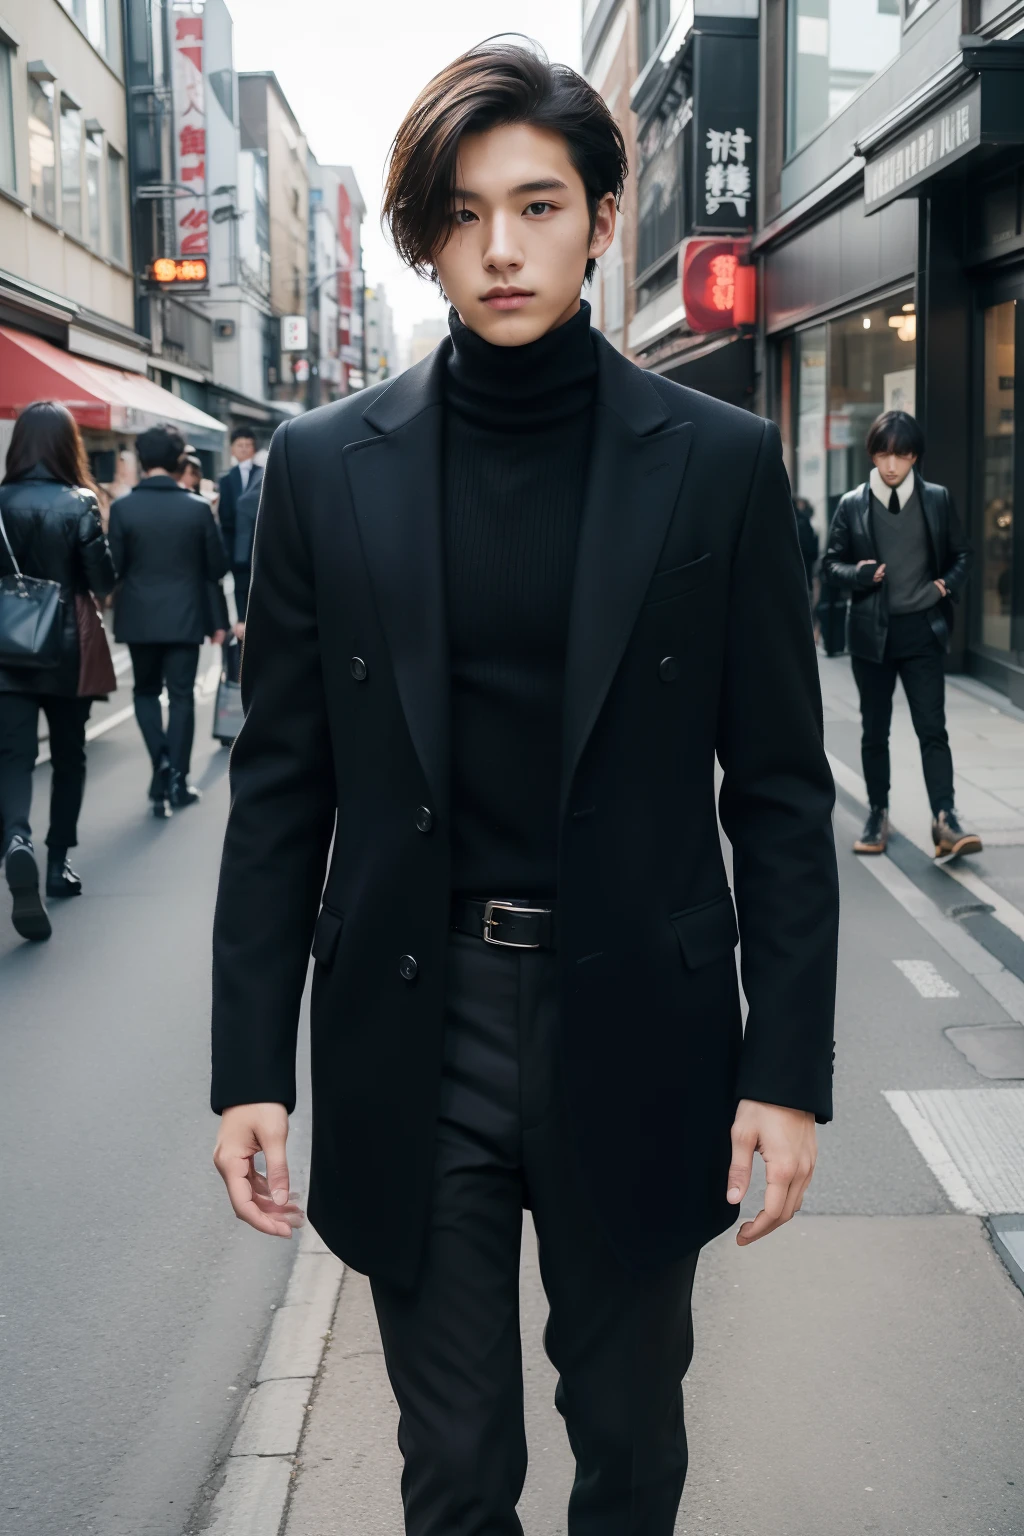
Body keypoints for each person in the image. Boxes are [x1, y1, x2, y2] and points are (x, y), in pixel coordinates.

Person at [211, 41, 839, 1536]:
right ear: (426, 231)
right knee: (456, 1469)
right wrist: (248, 1063)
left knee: (628, 1442)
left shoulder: (720, 463)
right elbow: (282, 786)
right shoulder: (320, 467)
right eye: (466, 211)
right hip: (413, 1034)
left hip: (640, 1017)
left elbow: (779, 793)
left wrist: (788, 1070)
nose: (503, 247)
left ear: (604, 218)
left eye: (542, 205)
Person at [823, 410, 980, 860]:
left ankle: (945, 818)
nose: (892, 464)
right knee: (875, 731)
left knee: (932, 729)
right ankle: (877, 814)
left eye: (902, 455)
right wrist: (860, 573)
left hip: (922, 632)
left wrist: (944, 585)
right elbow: (829, 566)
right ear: (873, 453)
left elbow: (963, 554)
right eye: (884, 454)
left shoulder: (936, 499)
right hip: (872, 635)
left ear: (915, 457)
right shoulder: (852, 504)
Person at [0, 401, 117, 941]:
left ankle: (16, 837)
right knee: (70, 756)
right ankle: (56, 864)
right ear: (69, 446)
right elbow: (102, 581)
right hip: (67, 650)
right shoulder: (79, 502)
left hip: (6, 648)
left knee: (14, 757)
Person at [109, 425, 228, 817]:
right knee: (181, 696)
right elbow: (215, 567)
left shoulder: (123, 508)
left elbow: (116, 568)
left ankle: (160, 761)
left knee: (144, 692)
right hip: (185, 616)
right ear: (179, 460)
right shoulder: (196, 508)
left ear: (142, 461)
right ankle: (178, 778)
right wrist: (218, 620)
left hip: (139, 616)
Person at [217, 426, 263, 622]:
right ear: (232, 449)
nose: (244, 449)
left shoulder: (264, 473)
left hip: (259, 542)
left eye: (248, 445)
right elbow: (224, 516)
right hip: (236, 545)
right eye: (240, 445)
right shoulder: (226, 479)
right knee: (239, 587)